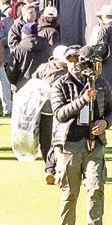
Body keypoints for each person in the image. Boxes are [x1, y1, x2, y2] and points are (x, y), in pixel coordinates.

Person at [50, 44, 112, 225]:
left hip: (94, 143)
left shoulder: (101, 83)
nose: (74, 64)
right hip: (69, 145)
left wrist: (105, 123)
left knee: (96, 188)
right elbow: (60, 114)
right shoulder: (60, 84)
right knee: (70, 192)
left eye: (77, 60)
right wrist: (83, 99)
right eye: (70, 60)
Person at [34, 45, 73, 184]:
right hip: (46, 111)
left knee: (59, 141)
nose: (67, 62)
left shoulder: (72, 69)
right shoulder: (44, 68)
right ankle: (50, 167)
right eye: (64, 60)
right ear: (56, 59)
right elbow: (34, 83)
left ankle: (52, 169)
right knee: (45, 142)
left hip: (65, 112)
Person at [8, 21, 53, 90]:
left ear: (24, 34)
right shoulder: (47, 46)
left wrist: (13, 83)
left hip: (23, 85)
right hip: (43, 84)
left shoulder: (19, 49)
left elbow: (12, 69)